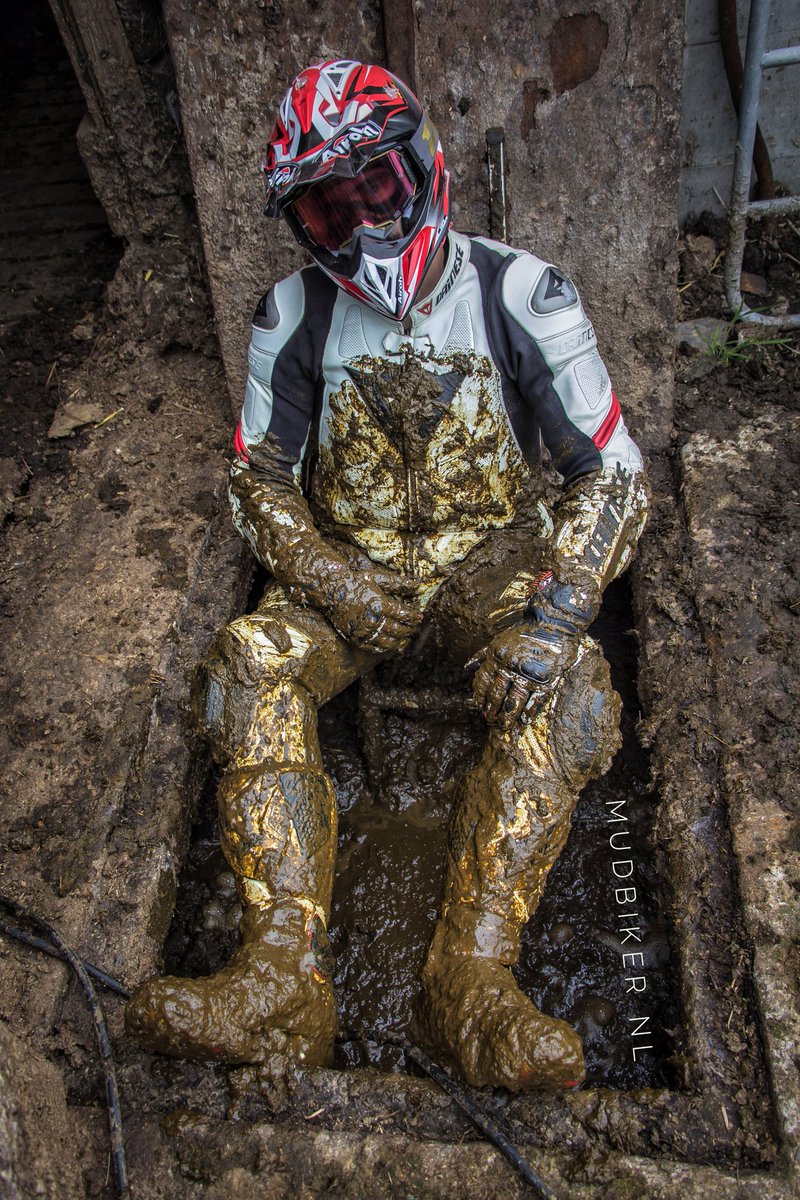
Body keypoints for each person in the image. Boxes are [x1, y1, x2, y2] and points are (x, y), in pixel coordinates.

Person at [126, 58, 649, 1092]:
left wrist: (555, 616)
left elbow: (613, 470)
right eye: (328, 215)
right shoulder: (292, 315)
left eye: (377, 194)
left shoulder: (518, 290)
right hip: (348, 584)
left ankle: (473, 977)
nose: (362, 233)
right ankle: (280, 970)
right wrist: (331, 579)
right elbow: (257, 481)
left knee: (578, 693)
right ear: (300, 226)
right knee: (244, 663)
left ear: (424, 170)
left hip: (494, 573)